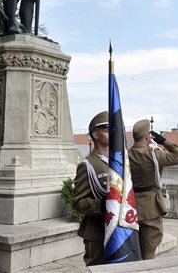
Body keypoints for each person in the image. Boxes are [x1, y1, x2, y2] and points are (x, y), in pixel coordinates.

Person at [128, 119, 178, 259]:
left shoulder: (125, 155)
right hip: (150, 207)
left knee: (132, 249)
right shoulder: (153, 155)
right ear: (148, 137)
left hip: (130, 206)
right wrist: (163, 141)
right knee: (148, 250)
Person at [72, 111, 109, 266]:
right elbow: (78, 202)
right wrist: (101, 204)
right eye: (107, 129)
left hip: (119, 229)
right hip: (98, 231)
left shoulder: (119, 162)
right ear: (95, 134)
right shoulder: (88, 165)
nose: (112, 132)